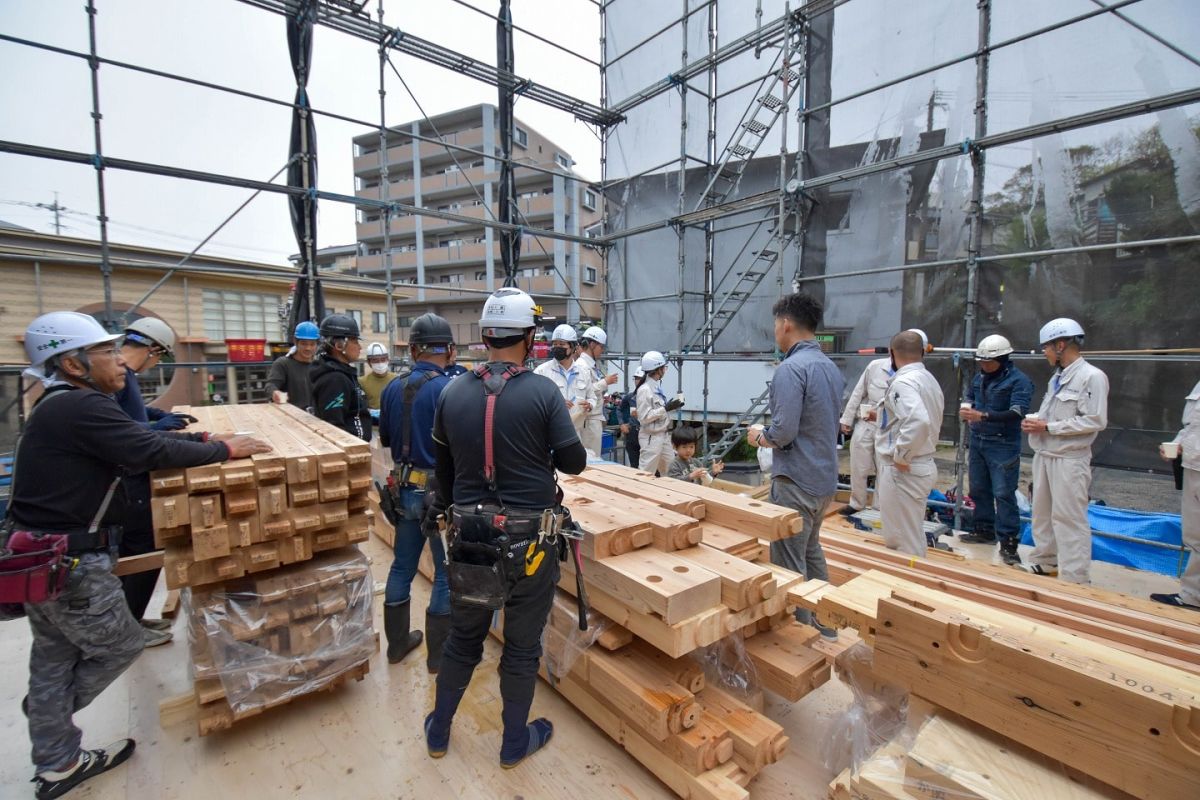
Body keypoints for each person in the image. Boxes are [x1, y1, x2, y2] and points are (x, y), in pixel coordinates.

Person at [11, 311, 270, 800]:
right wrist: (223, 451)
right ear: (72, 362)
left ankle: (56, 763)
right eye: (107, 352)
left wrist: (200, 440)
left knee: (52, 655)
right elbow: (147, 451)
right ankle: (50, 712)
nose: (120, 361)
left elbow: (142, 441)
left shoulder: (63, 405)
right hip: (71, 565)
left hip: (39, 557)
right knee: (122, 645)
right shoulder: (81, 407)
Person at [423, 288, 587, 769]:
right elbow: (574, 463)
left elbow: (445, 479)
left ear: (486, 335)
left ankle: (438, 730)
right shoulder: (542, 393)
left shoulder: (452, 392)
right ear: (531, 336)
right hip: (530, 545)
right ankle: (513, 742)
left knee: (464, 639)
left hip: (471, 542)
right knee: (520, 646)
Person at [746, 293, 844, 636]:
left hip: (796, 480)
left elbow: (783, 432)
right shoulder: (830, 368)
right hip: (824, 479)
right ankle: (827, 625)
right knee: (812, 550)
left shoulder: (791, 369)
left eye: (776, 324)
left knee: (788, 561)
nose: (775, 330)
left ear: (786, 324)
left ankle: (799, 638)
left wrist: (758, 436)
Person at [378, 313, 455, 670]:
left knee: (403, 565)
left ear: (412, 350)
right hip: (435, 494)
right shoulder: (448, 390)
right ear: (450, 351)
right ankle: (438, 656)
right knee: (443, 571)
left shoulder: (391, 387)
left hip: (402, 489)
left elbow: (389, 441)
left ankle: (397, 646)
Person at [112, 317, 193, 648]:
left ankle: (130, 621)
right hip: (129, 480)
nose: (156, 363)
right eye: (159, 356)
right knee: (144, 550)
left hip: (131, 476)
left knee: (139, 550)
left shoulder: (124, 376)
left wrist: (154, 415)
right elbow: (121, 432)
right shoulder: (119, 375)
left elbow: (130, 415)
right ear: (152, 350)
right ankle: (129, 631)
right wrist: (157, 429)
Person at [1018, 318, 1109, 583]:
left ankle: (1075, 577)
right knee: (1042, 514)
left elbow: (1095, 420)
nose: (1044, 352)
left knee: (1069, 518)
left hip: (1070, 459)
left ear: (1060, 344)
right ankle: (1046, 562)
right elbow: (1051, 417)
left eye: (1046, 347)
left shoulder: (1091, 377)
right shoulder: (1057, 378)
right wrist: (1038, 425)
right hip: (1046, 455)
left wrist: (1049, 427)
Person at [958, 334, 1034, 565]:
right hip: (979, 440)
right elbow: (970, 395)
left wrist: (983, 415)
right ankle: (984, 530)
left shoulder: (1019, 381)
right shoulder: (980, 378)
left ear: (1002, 358)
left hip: (1003, 444)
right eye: (980, 361)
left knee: (1003, 493)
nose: (983, 365)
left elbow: (1017, 412)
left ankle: (1009, 542)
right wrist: (968, 407)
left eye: (987, 361)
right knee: (979, 488)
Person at [873, 330, 945, 557]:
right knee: (910, 532)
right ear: (922, 352)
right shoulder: (928, 379)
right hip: (922, 463)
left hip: (904, 469)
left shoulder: (902, 383)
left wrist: (902, 455)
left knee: (902, 539)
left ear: (891, 353)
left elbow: (918, 420)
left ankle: (907, 586)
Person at [1152, 379, 1200, 611]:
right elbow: (1191, 426)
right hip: (1192, 467)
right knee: (1194, 534)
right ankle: (1192, 595)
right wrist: (1177, 444)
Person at [837, 355, 892, 516]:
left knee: (884, 469)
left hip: (889, 428)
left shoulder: (910, 374)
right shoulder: (875, 366)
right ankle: (857, 503)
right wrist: (847, 419)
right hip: (866, 423)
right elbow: (858, 392)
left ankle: (878, 508)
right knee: (858, 465)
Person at [311, 314, 372, 442]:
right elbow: (334, 429)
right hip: (351, 454)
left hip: (357, 448)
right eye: (355, 341)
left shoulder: (343, 373)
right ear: (339, 345)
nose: (359, 347)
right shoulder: (335, 380)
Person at [569, 326, 617, 455]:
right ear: (592, 344)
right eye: (601, 347)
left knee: (593, 457)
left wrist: (602, 396)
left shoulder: (589, 365)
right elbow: (585, 392)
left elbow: (591, 390)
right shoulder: (581, 365)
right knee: (591, 459)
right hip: (588, 421)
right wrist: (605, 382)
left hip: (592, 419)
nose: (601, 351)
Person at [636, 351, 681, 475]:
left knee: (672, 471)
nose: (665, 370)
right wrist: (665, 408)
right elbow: (644, 418)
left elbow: (659, 412)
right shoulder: (645, 389)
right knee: (645, 473)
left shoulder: (655, 386)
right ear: (657, 369)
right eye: (664, 368)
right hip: (651, 438)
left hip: (663, 435)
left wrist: (672, 407)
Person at [266, 320, 319, 411]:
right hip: (290, 416)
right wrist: (275, 393)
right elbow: (270, 385)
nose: (308, 348)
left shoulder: (318, 366)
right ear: (295, 341)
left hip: (314, 418)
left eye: (312, 344)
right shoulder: (283, 364)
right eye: (304, 343)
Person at [533, 323, 578, 401]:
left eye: (562, 344)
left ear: (573, 347)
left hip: (578, 413)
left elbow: (592, 398)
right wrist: (557, 404)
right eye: (555, 344)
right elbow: (533, 399)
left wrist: (589, 404)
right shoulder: (541, 372)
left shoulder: (583, 371)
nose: (557, 347)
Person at [358, 341, 396, 411]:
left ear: (388, 360)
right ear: (369, 362)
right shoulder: (362, 382)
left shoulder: (396, 379)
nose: (380, 363)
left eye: (383, 359)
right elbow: (360, 405)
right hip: (372, 421)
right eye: (375, 360)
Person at [619, 367, 644, 467]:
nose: (638, 381)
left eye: (640, 378)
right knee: (634, 465)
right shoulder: (630, 397)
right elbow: (619, 409)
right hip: (633, 433)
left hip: (647, 433)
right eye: (636, 378)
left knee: (649, 465)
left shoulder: (653, 397)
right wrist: (622, 424)